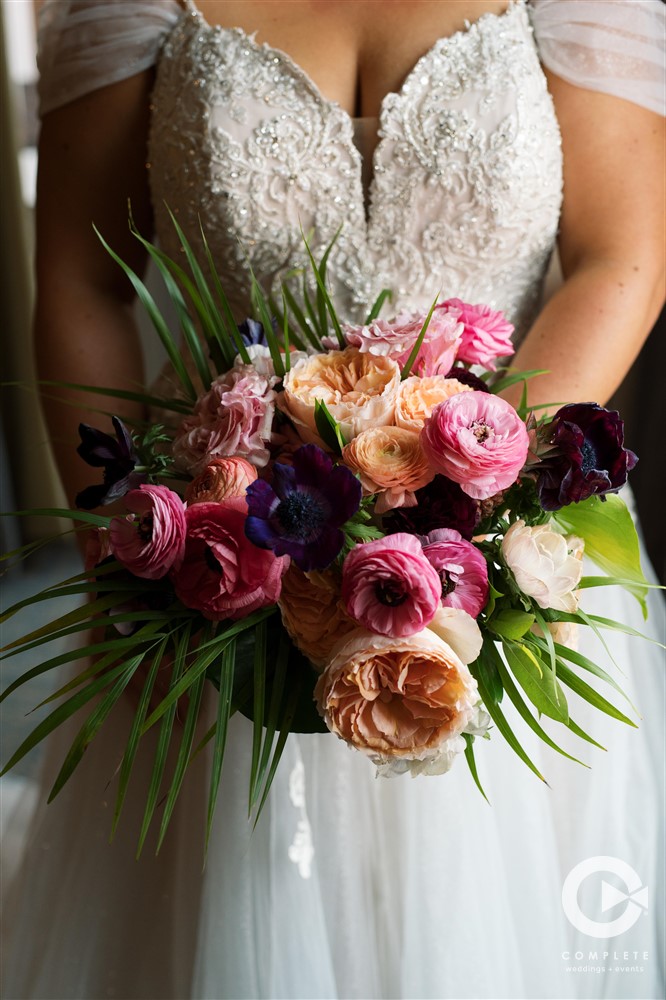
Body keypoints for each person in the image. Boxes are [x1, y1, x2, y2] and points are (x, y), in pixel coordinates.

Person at [2, 1, 664, 997]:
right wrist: (125, 542)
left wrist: (479, 495)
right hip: (225, 553)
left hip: (507, 539)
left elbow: (623, 257)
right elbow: (80, 278)